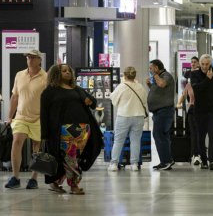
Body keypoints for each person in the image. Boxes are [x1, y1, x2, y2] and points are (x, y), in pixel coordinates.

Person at [40, 64, 102, 195]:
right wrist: (44, 134)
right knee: (70, 158)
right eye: (64, 71)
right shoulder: (49, 91)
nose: (67, 72)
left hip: (83, 129)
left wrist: (89, 101)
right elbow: (44, 113)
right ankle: (74, 185)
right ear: (56, 74)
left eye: (69, 70)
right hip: (64, 130)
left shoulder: (77, 89)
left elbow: (94, 103)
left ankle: (55, 182)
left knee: (74, 158)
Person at [4, 50, 47, 189]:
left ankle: (33, 178)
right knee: (16, 142)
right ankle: (15, 177)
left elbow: (48, 101)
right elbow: (15, 97)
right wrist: (10, 116)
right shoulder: (19, 75)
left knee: (36, 147)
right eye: (28, 57)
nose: (29, 59)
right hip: (21, 116)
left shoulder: (45, 77)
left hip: (38, 118)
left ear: (39, 60)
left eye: (33, 57)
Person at [191, 54, 213, 170]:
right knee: (201, 136)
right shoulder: (194, 75)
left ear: (210, 64)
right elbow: (197, 90)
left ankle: (212, 160)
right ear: (199, 64)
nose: (205, 66)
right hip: (200, 110)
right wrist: (207, 79)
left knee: (212, 135)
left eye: (207, 64)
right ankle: (204, 160)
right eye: (202, 64)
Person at [108, 66, 148, 172]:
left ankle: (114, 164)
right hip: (138, 116)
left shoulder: (122, 86)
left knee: (118, 141)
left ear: (125, 75)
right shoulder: (140, 86)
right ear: (135, 75)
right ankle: (134, 164)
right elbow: (144, 101)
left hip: (124, 116)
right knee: (135, 141)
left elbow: (113, 99)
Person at [147, 59, 175, 170]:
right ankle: (166, 160)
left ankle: (166, 161)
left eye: (151, 68)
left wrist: (155, 75)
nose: (150, 70)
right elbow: (159, 91)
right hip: (159, 112)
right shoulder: (158, 77)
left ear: (157, 68)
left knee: (159, 135)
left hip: (164, 111)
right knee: (162, 136)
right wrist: (150, 85)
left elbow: (162, 84)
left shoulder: (166, 76)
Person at [176, 56, 201, 165]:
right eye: (191, 62)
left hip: (202, 109)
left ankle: (199, 153)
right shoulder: (188, 82)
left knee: (200, 133)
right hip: (191, 109)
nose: (193, 64)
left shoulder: (202, 79)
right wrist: (179, 103)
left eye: (195, 62)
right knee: (193, 132)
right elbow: (184, 93)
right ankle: (195, 154)